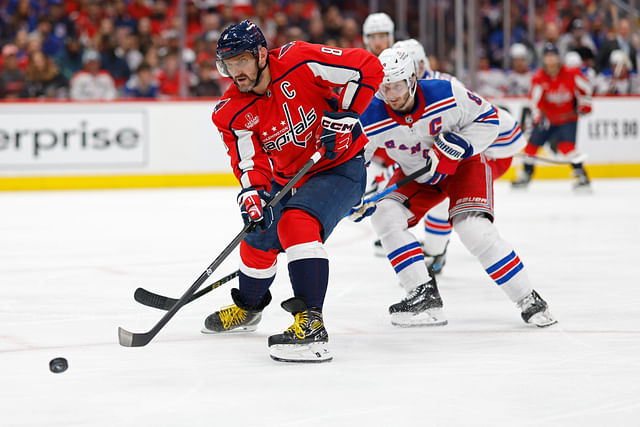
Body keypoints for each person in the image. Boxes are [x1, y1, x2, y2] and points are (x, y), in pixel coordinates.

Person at [202, 20, 383, 363]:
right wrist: (252, 193)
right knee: (257, 235)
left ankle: (312, 326)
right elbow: (248, 161)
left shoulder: (299, 59)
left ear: (260, 54)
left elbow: (367, 66)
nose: (235, 72)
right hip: (290, 178)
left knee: (295, 222)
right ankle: (250, 308)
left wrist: (345, 117)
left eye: (241, 60)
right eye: (228, 64)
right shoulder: (230, 111)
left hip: (341, 167)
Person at [351, 47, 556, 328]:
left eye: (397, 86)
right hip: (418, 176)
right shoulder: (369, 114)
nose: (392, 95)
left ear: (412, 80)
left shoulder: (446, 92)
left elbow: (489, 120)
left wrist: (460, 143)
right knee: (385, 215)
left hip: (464, 167)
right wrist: (351, 193)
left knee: (472, 230)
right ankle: (423, 296)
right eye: (385, 88)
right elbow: (354, 157)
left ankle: (528, 299)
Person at [512, 43, 592, 191]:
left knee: (567, 147)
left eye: (553, 56)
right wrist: (538, 117)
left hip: (568, 119)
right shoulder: (539, 78)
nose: (550, 60)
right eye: (547, 57)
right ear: (544, 59)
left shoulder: (571, 73)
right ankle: (526, 174)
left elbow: (586, 87)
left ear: (557, 57)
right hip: (549, 120)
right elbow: (534, 101)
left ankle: (581, 175)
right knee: (531, 147)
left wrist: (585, 104)